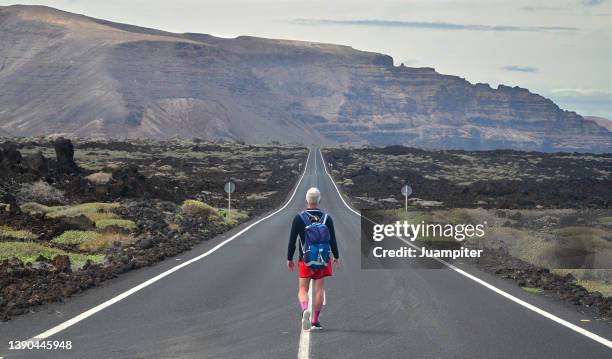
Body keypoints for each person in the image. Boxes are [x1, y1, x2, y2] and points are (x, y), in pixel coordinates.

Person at [287, 187, 339, 330]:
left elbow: (292, 240)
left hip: (305, 259)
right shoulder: (327, 218)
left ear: (306, 200)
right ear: (319, 200)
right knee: (319, 289)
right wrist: (336, 256)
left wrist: (289, 258)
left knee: (303, 289)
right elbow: (332, 240)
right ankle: (315, 321)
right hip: (322, 259)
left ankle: (305, 310)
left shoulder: (299, 218)